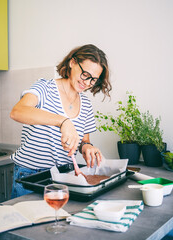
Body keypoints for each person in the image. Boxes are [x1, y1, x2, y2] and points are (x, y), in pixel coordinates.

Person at [10, 44, 112, 198]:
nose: (87, 82)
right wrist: (63, 122)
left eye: (93, 80)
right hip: (29, 176)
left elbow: (84, 141)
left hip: (63, 176)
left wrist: (87, 147)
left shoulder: (85, 104)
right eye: (85, 74)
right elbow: (17, 111)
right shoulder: (44, 87)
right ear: (72, 63)